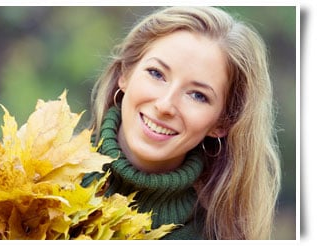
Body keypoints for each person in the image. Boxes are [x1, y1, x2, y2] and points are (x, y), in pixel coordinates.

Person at [81, 6, 281, 240]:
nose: (165, 105)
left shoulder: (210, 238)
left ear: (222, 123)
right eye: (156, 74)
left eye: (197, 95)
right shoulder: (37, 174)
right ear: (125, 73)